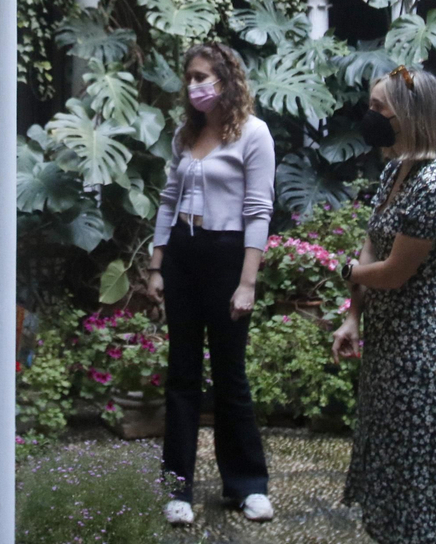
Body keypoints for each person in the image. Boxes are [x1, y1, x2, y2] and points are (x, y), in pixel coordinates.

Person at [332, 65, 436, 544]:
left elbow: (394, 271)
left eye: (378, 109)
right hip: (386, 342)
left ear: (409, 115)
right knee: (386, 457)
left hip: (420, 347)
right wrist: (353, 316)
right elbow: (373, 242)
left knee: (417, 464)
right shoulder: (394, 169)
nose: (370, 117)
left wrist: (349, 272)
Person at [146, 42, 274, 526]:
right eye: (190, 78)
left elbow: (259, 210)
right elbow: (167, 199)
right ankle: (176, 488)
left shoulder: (254, 134)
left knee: (229, 375)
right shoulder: (186, 132)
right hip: (182, 253)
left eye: (203, 76)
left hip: (226, 258)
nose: (195, 85)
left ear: (226, 79)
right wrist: (157, 266)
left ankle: (247, 485)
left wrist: (248, 283)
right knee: (181, 375)